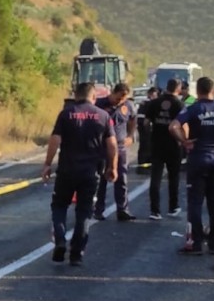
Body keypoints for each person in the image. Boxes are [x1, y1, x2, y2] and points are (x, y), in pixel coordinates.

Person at [41, 82, 118, 267]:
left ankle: (60, 240)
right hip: (90, 172)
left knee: (59, 206)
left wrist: (47, 164)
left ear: (75, 96)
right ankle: (76, 254)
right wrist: (112, 167)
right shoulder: (103, 115)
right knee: (84, 212)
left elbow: (55, 140)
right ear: (93, 97)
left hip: (67, 170)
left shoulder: (66, 113)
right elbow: (112, 145)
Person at [170, 76, 214, 254]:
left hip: (198, 158)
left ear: (198, 91)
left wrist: (184, 141)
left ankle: (196, 243)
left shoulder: (193, 108)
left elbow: (173, 126)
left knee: (195, 203)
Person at [141, 78, 184, 219]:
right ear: (178, 88)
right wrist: (183, 141)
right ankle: (173, 207)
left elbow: (146, 123)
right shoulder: (179, 104)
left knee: (156, 177)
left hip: (157, 143)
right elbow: (183, 126)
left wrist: (150, 137)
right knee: (174, 177)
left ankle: (155, 210)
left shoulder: (154, 102)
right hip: (173, 145)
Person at [94, 83, 137, 221]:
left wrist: (131, 135)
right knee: (101, 180)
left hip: (121, 147)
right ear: (113, 93)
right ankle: (98, 210)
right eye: (118, 98)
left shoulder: (128, 106)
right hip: (102, 147)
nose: (119, 101)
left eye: (123, 99)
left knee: (122, 179)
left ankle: (122, 209)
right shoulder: (99, 104)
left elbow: (133, 119)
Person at [137, 87, 158, 169]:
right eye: (153, 94)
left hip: (148, 128)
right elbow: (143, 118)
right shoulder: (146, 103)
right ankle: (144, 165)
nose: (153, 96)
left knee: (148, 146)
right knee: (145, 146)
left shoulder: (148, 103)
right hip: (145, 128)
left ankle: (147, 164)